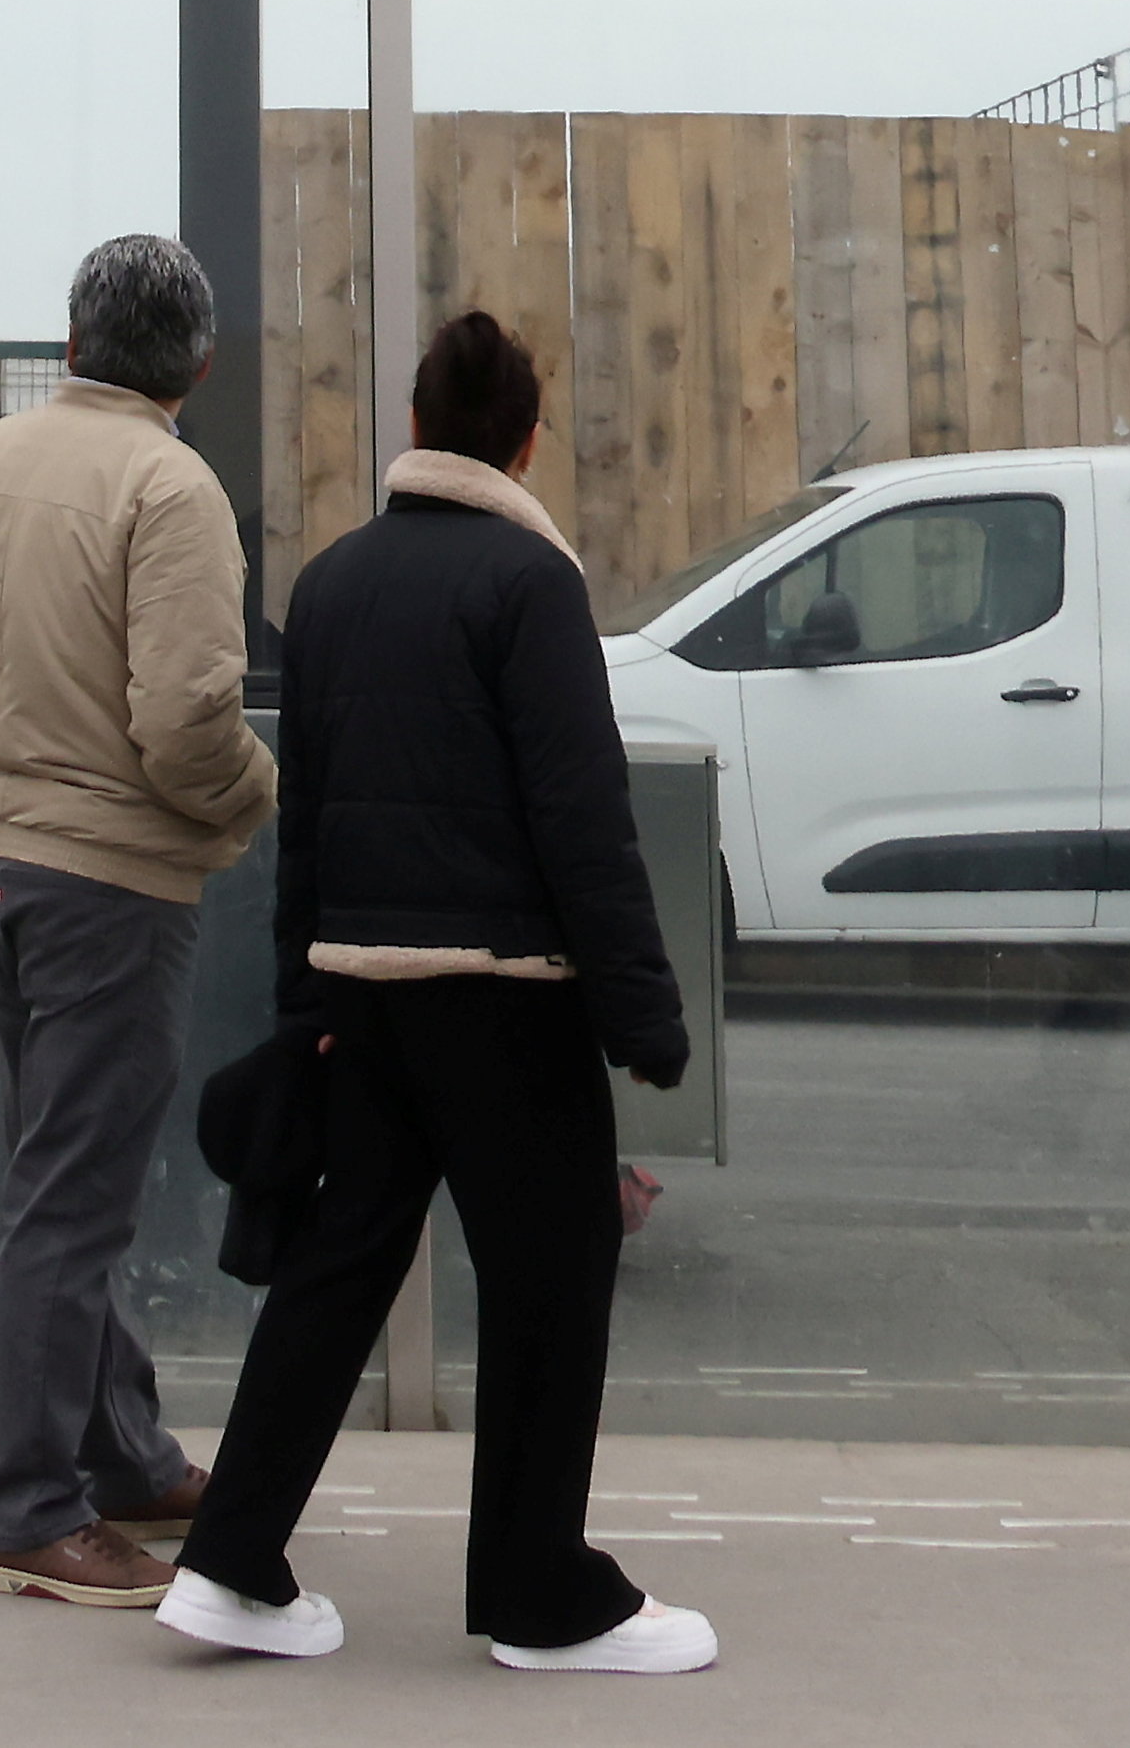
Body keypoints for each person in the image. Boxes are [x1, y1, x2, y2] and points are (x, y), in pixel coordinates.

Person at [160, 309, 709, 1676]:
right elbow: (584, 822)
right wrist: (642, 1019)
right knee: (551, 1278)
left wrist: (307, 1002)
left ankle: (229, 1562)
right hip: (506, 997)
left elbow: (311, 818)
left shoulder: (336, 587)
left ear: (415, 430)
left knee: (338, 1272)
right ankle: (539, 1596)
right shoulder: (529, 588)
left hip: (366, 990)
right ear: (526, 442)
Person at [0, 232, 280, 1607]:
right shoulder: (173, 489)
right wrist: (250, 798)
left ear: (68, 344)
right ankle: (33, 1510)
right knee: (73, 1199)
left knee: (62, 1172)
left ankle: (121, 1457)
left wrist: (6, 759)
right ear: (200, 366)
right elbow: (184, 721)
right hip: (114, 882)